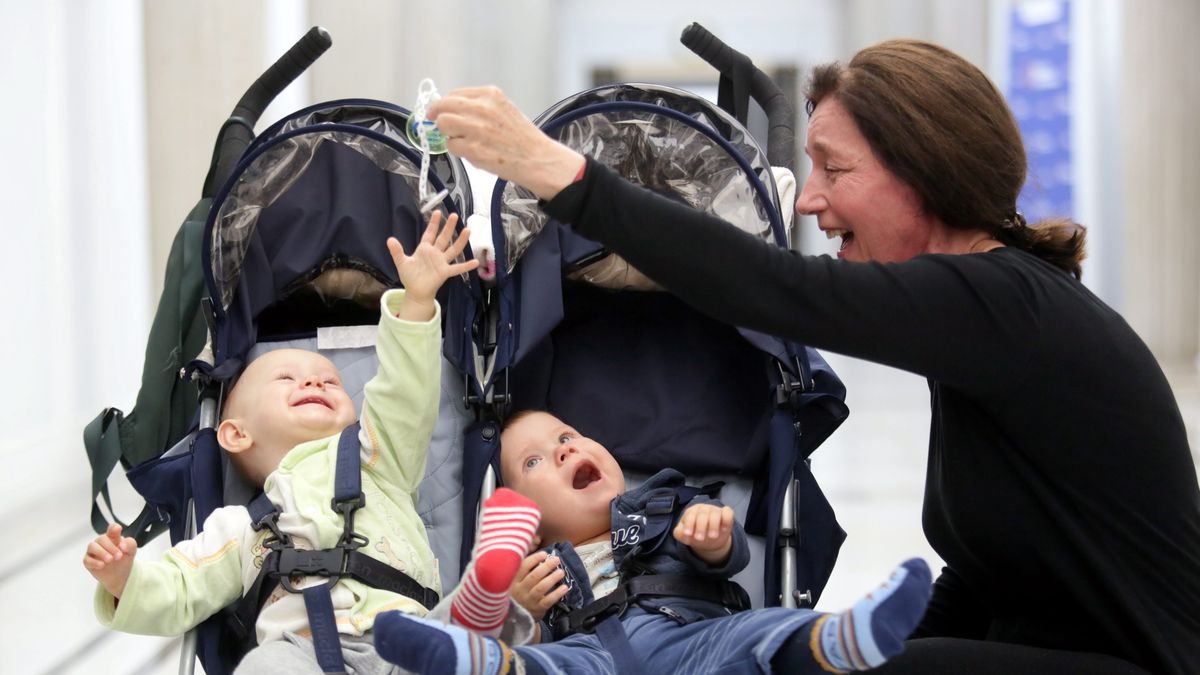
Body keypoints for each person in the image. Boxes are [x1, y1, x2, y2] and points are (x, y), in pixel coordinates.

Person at [422, 39, 1200, 675]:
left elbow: (779, 291)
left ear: (921, 166)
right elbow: (994, 567)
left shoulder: (1001, 302)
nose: (807, 199)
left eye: (835, 167)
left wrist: (558, 174)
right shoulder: (983, 321)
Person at [82, 212, 478, 673]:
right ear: (235, 433)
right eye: (287, 377)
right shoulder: (241, 528)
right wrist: (123, 578)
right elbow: (184, 583)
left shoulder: (378, 460)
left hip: (408, 639)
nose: (314, 379)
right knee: (262, 666)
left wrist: (416, 302)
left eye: (330, 381)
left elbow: (406, 393)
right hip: (301, 651)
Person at [373, 409, 934, 675]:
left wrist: (713, 540)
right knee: (542, 666)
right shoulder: (534, 563)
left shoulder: (664, 505)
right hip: (586, 655)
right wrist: (518, 605)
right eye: (536, 461)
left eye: (568, 435)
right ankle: (469, 661)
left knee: (760, 630)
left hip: (692, 638)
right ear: (528, 520)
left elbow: (728, 560)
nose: (566, 449)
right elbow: (535, 633)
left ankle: (840, 640)